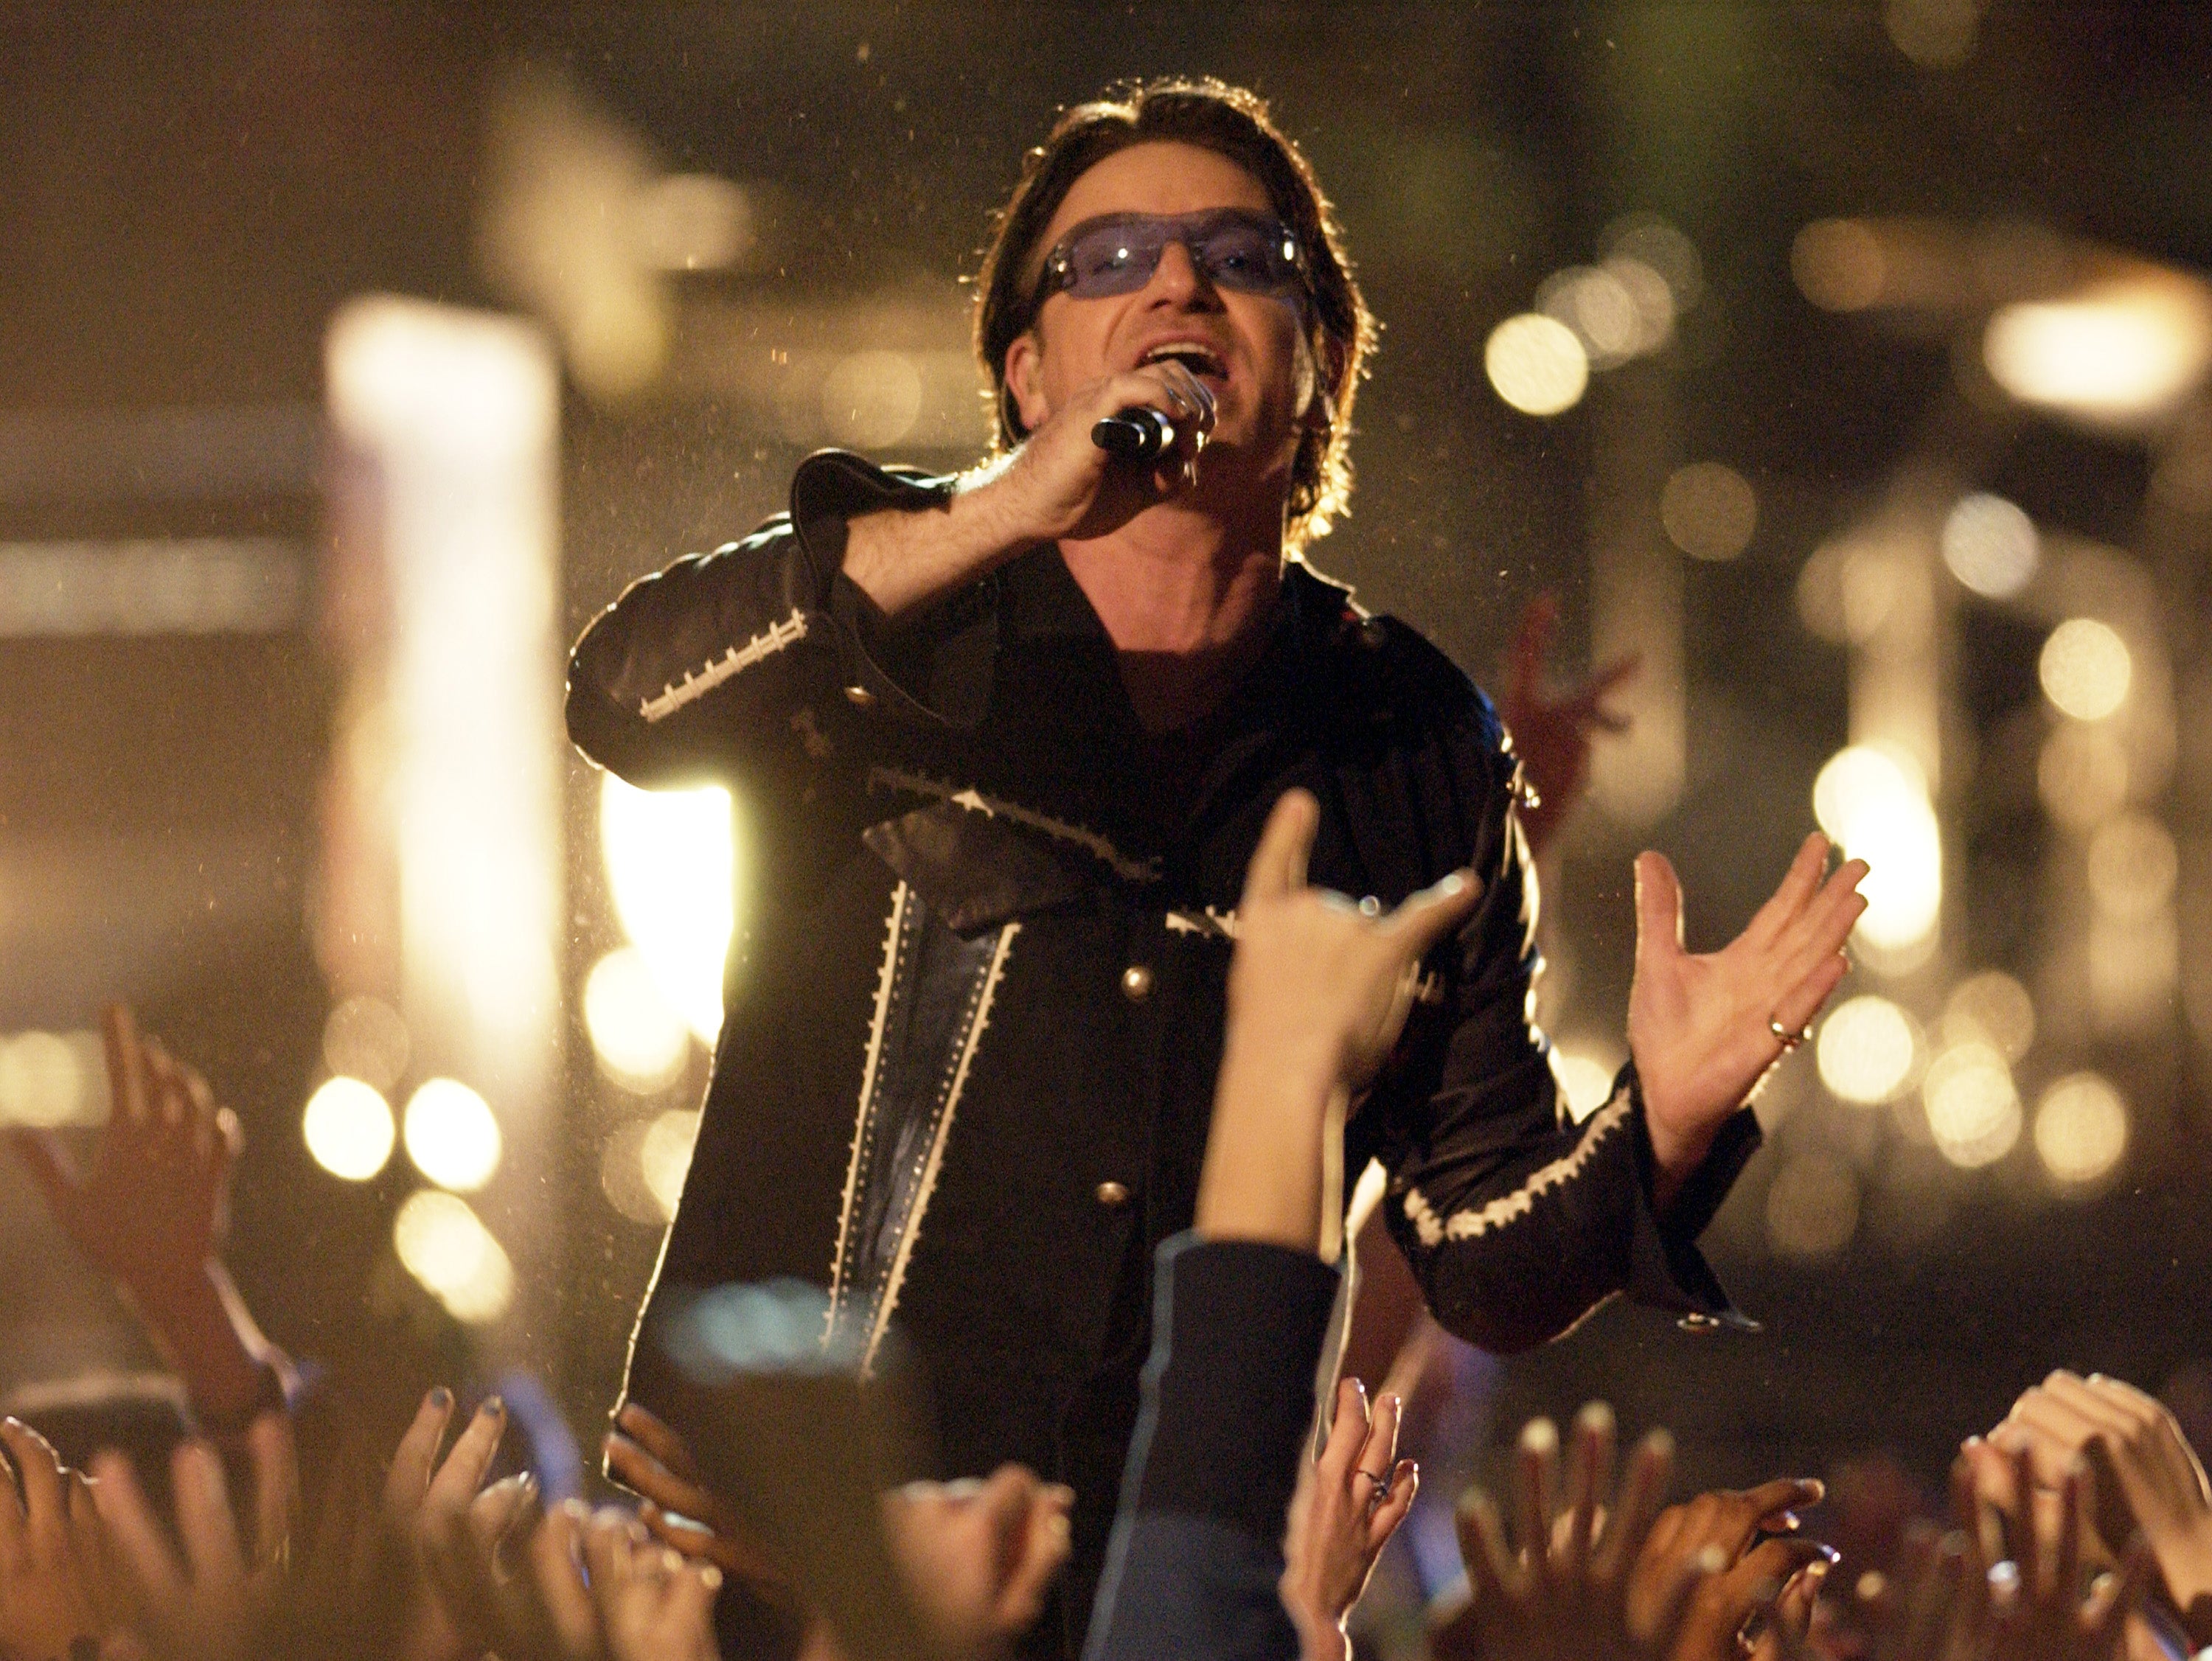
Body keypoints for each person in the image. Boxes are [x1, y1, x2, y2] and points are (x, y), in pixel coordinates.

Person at [568, 76, 1869, 1657]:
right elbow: (622, 693)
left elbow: (1481, 1259)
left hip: (1159, 1596)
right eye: (1105, 259)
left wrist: (1661, 1116)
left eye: (1240, 256)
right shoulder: (899, 631)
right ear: (1025, 368)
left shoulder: (1409, 740)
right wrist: (994, 509)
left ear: (1318, 361)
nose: (1178, 284)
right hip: (789, 1578)